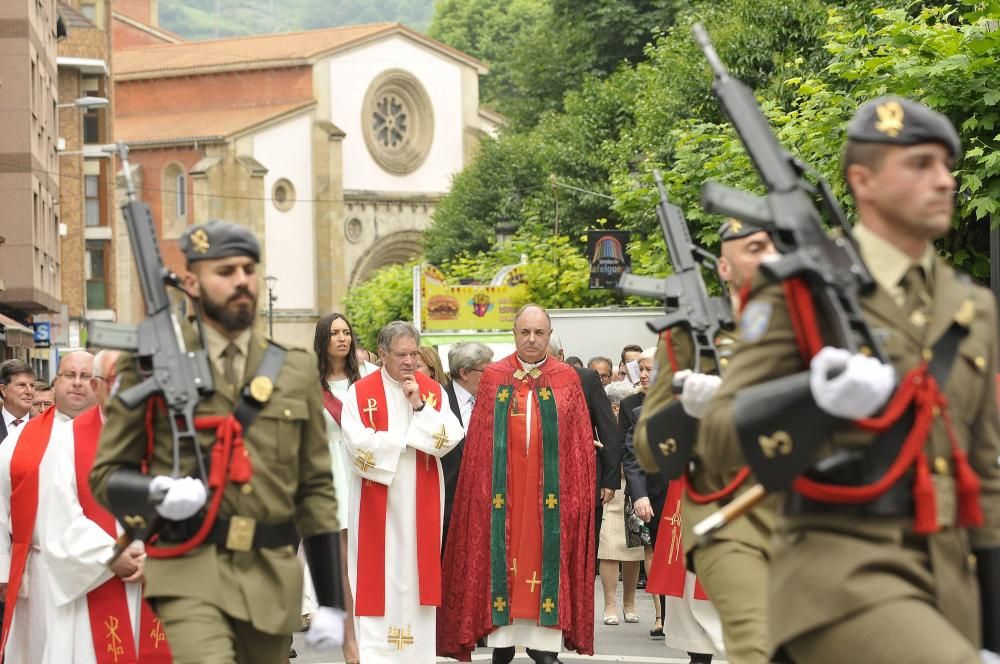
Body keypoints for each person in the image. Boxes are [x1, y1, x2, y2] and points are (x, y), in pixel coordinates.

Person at [698, 97, 1000, 663]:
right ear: (862, 180)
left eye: (946, 165)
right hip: (839, 575)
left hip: (947, 584)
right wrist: (811, 399)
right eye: (919, 164)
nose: (944, 181)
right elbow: (716, 437)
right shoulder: (799, 289)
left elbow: (982, 476)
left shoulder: (972, 306)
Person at [90, 220, 346, 663]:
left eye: (248, 269)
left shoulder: (295, 369)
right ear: (191, 282)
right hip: (190, 568)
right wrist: (155, 493)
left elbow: (316, 490)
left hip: (270, 572)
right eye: (225, 271)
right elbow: (107, 473)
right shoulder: (152, 364)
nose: (241, 280)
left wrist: (332, 602)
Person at [636, 218, 775, 664]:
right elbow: (646, 447)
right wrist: (686, 416)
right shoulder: (686, 335)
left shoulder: (811, 327)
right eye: (748, 251)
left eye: (769, 249)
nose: (763, 262)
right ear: (723, 268)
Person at [439, 304, 596, 664]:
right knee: (503, 568)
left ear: (549, 334)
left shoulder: (567, 378)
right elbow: (478, 447)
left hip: (549, 501)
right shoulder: (494, 376)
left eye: (539, 333)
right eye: (525, 332)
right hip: (502, 500)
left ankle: (544, 648)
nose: (532, 339)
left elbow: (579, 445)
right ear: (514, 332)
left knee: (545, 567)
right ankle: (502, 643)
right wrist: (478, 497)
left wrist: (579, 498)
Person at [340, 321, 464, 662]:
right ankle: (375, 655)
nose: (409, 362)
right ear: (382, 355)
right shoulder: (360, 392)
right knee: (377, 572)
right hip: (376, 496)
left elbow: (451, 436)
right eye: (401, 355)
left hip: (421, 496)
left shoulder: (432, 391)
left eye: (413, 354)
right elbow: (357, 444)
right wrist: (408, 442)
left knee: (414, 574)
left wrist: (420, 409)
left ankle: (416, 655)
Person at [0, 350, 110, 662]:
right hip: (40, 572)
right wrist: (3, 565)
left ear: (99, 384)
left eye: (86, 376)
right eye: (68, 375)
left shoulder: (119, 437)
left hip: (100, 570)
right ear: (55, 381)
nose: (77, 384)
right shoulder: (20, 438)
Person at [311, 312, 378, 664]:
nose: (342, 338)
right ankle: (350, 645)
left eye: (347, 332)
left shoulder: (369, 376)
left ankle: (374, 639)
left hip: (365, 472)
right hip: (330, 476)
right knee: (342, 571)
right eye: (334, 333)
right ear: (322, 339)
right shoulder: (309, 383)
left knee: (369, 564)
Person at [547, 332, 620, 562]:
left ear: (561, 355)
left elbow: (608, 429)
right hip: (543, 479)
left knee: (580, 554)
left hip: (583, 479)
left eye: (549, 358)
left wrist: (609, 479)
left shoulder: (586, 378)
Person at [619, 347, 665, 636]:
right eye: (641, 369)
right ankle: (666, 617)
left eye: (650, 369)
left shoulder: (695, 403)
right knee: (660, 557)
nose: (643, 374)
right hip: (659, 500)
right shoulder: (639, 412)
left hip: (693, 500)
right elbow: (632, 456)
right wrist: (640, 495)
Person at [442, 341, 494, 549]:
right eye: (486, 371)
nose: (492, 377)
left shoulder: (496, 401)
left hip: (488, 508)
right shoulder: (438, 401)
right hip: (449, 508)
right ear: (464, 373)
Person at [0, 360, 34, 443]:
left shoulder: (46, 427)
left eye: (32, 385)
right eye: (22, 385)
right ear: (3, 390)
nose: (29, 391)